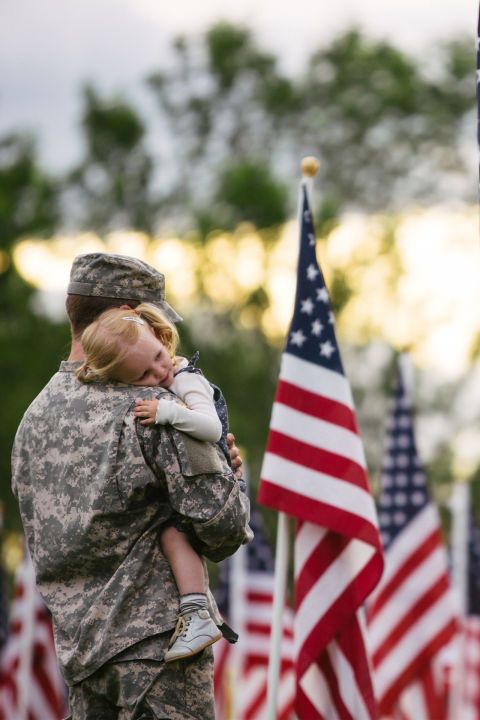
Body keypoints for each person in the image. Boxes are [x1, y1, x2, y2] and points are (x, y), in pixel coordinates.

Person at [11, 252, 251, 720]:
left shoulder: (33, 421)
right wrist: (229, 471)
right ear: (127, 314)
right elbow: (224, 527)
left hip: (80, 657)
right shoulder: (153, 405)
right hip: (161, 656)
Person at [75, 302, 232, 662]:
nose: (160, 371)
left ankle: (197, 615)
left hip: (219, 484)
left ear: (160, 336)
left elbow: (212, 428)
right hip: (196, 475)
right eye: (144, 374)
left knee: (172, 533)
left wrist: (168, 412)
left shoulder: (185, 378)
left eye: (160, 355)